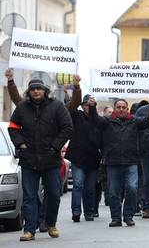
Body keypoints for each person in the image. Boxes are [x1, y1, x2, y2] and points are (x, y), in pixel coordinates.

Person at [8, 78, 73, 241]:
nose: (36, 91)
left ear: (45, 90)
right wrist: (20, 144)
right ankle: (29, 229)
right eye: (33, 89)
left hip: (51, 159)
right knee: (29, 196)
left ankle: (50, 224)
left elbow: (67, 128)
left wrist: (54, 147)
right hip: (29, 160)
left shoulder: (57, 106)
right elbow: (13, 128)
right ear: (28, 92)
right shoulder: (22, 107)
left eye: (39, 88)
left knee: (53, 194)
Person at [89, 98, 149, 227]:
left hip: (131, 161)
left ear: (127, 109)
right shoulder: (107, 121)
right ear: (115, 109)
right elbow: (95, 120)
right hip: (113, 162)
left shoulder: (134, 121)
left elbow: (148, 121)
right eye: (118, 107)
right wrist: (92, 107)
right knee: (113, 192)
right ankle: (116, 218)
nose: (121, 109)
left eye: (123, 107)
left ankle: (128, 216)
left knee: (132, 188)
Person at [65, 94, 102, 222]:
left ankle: (89, 212)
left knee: (90, 188)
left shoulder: (98, 120)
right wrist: (68, 94)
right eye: (86, 105)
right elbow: (70, 107)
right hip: (78, 158)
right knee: (78, 184)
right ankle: (76, 211)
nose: (89, 107)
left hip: (93, 159)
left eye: (91, 105)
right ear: (82, 106)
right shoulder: (77, 116)